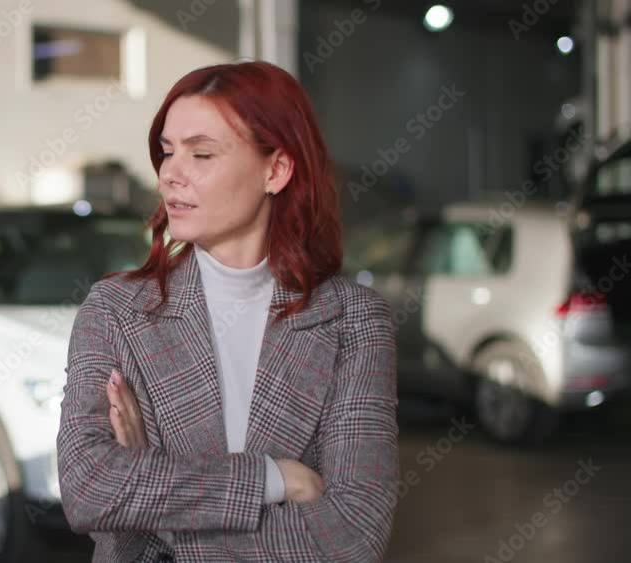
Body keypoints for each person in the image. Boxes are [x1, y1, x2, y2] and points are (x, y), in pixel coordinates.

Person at [56, 61, 399, 563]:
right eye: (168, 152)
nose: (171, 173)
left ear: (276, 170)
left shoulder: (352, 320)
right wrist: (273, 478)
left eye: (201, 153)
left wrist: (150, 483)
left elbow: (353, 533)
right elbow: (87, 488)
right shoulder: (115, 312)